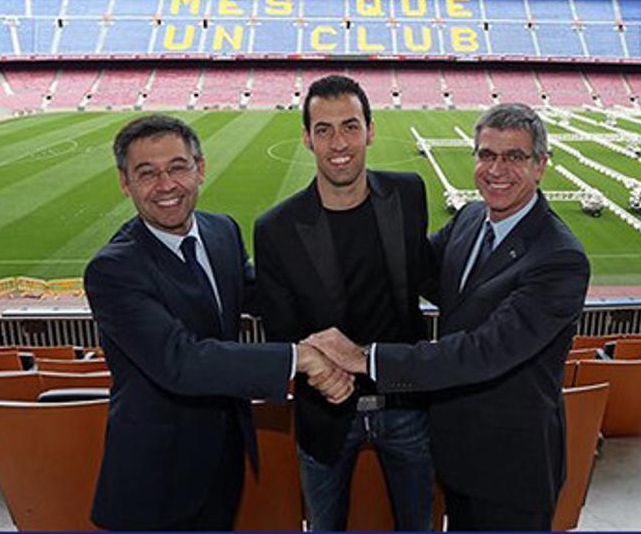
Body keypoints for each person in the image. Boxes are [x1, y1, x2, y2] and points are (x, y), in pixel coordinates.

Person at [308, 102, 590, 531]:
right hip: (458, 454)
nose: (496, 169)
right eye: (486, 155)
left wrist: (366, 358)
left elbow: (482, 353)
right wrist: (302, 260)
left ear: (540, 166)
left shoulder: (559, 258)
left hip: (512, 468)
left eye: (514, 157)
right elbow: (410, 266)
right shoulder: (472, 217)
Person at [83, 114, 353, 531]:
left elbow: (262, 296)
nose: (166, 185)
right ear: (125, 182)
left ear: (200, 168)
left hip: (224, 460)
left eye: (177, 167)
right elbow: (182, 361)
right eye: (147, 173)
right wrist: (302, 358)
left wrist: (336, 324)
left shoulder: (220, 231)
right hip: (155, 480)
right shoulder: (113, 270)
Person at [253, 75, 436, 530]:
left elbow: (430, 275)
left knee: (419, 525)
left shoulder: (408, 193)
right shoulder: (276, 228)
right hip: (326, 412)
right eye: (324, 129)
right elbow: (280, 331)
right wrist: (325, 371)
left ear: (371, 131)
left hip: (406, 404)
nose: (339, 142)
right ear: (306, 138)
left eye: (351, 126)